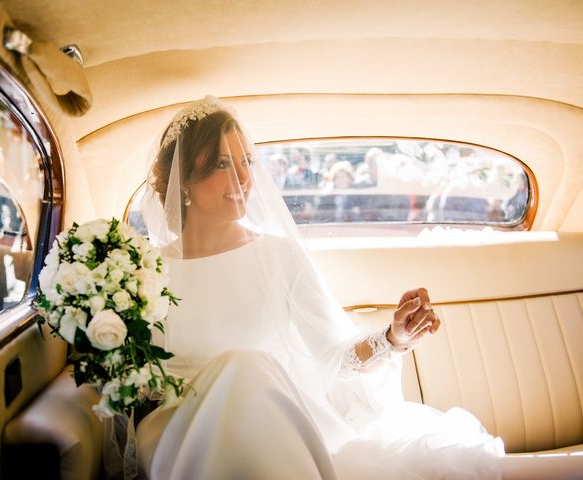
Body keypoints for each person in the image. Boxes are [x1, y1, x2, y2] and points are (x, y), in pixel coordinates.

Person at [133, 96, 504, 479]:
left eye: (246, 162)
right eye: (222, 164)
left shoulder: (279, 256)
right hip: (181, 441)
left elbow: (335, 357)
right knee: (243, 367)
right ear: (185, 179)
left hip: (270, 433)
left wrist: (393, 338)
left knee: (249, 369)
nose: (242, 179)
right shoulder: (146, 271)